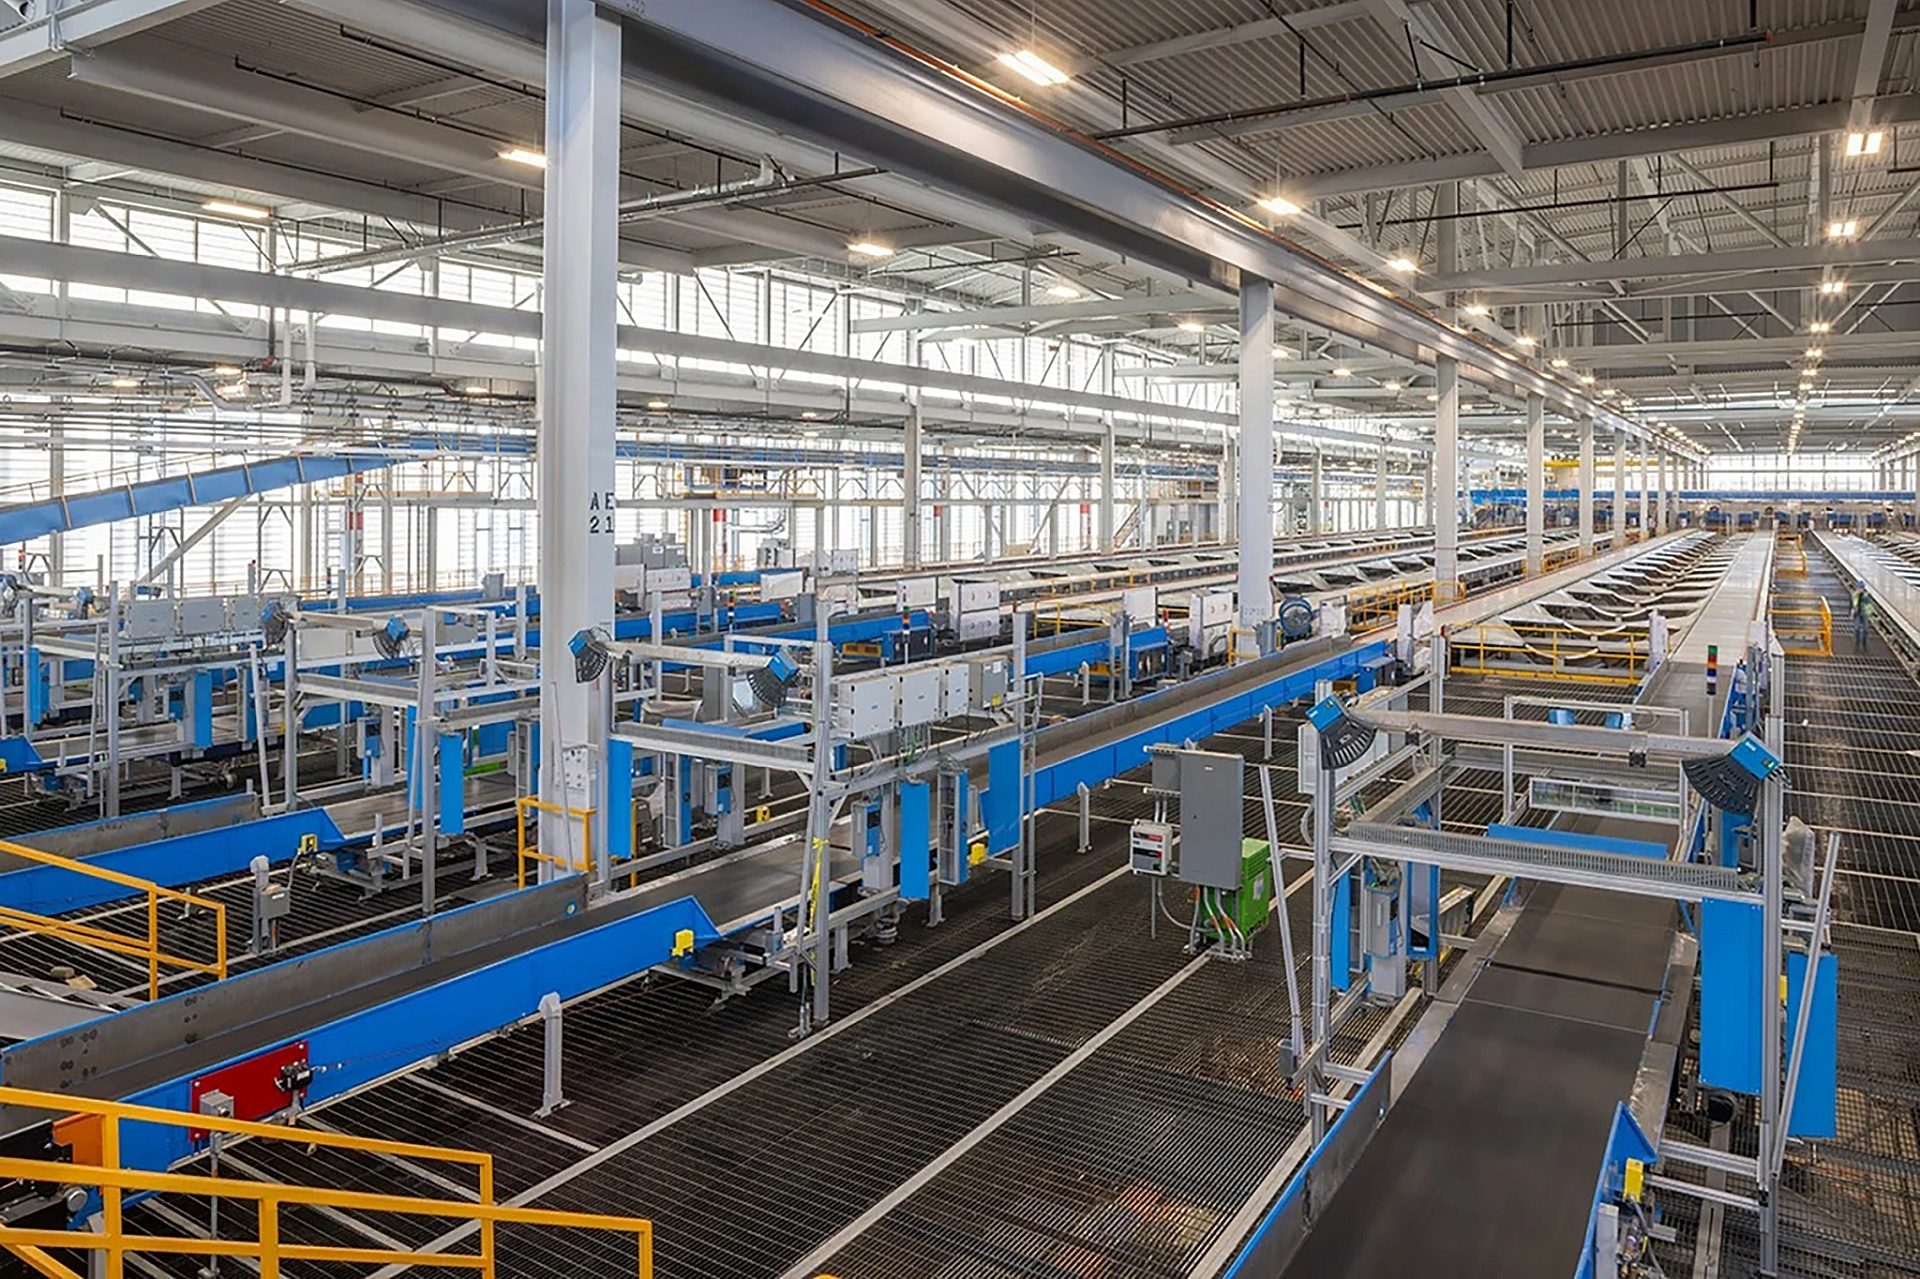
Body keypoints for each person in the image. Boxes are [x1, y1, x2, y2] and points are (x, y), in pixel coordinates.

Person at [1851, 579, 1873, 651]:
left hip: (1864, 614)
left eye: (1860, 588)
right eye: (1858, 588)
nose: (1859, 589)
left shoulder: (1866, 596)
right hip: (1857, 613)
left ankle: (1864, 643)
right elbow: (1852, 604)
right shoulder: (1854, 595)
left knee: (1865, 629)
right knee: (1856, 628)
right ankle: (1857, 642)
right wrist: (1852, 612)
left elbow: (1869, 605)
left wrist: (1869, 613)